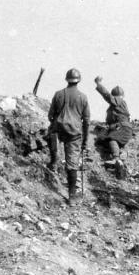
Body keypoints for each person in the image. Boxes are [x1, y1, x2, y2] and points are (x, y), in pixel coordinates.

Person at [47, 68, 91, 204]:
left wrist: (57, 124)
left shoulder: (58, 94)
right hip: (74, 133)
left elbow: (50, 115)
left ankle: (52, 164)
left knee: (53, 143)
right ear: (79, 80)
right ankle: (72, 196)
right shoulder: (83, 97)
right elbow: (87, 121)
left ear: (67, 79)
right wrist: (85, 141)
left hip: (58, 129)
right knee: (72, 164)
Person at [94, 76, 133, 179]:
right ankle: (118, 160)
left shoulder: (119, 101)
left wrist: (99, 84)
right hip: (119, 127)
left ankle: (116, 158)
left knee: (112, 139)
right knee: (102, 139)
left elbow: (107, 96)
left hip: (123, 128)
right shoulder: (116, 105)